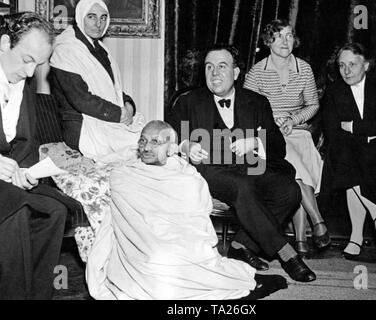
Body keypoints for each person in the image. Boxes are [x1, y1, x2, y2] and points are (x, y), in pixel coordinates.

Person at [86, 120, 287, 300]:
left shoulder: (186, 176)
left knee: (186, 260)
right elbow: (131, 223)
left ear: (171, 148)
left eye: (155, 142)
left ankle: (232, 279)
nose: (146, 147)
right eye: (142, 141)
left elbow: (198, 216)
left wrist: (180, 239)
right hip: (144, 247)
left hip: (185, 241)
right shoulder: (124, 175)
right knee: (158, 268)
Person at [167, 44, 316, 282]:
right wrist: (186, 146)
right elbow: (169, 136)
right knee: (242, 186)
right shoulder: (189, 102)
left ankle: (240, 245)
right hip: (210, 169)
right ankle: (287, 254)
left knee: (289, 191)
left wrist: (256, 142)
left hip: (250, 165)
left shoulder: (257, 102)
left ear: (236, 73)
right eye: (209, 67)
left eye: (222, 66)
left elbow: (279, 146)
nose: (214, 73)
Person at [244, 19, 330, 257]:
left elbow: (313, 105)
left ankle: (301, 240)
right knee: (291, 163)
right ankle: (317, 221)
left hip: (298, 131)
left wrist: (292, 119)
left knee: (294, 166)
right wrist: (273, 124)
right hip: (269, 136)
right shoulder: (257, 72)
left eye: (289, 35)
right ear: (268, 40)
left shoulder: (304, 69)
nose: (285, 41)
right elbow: (247, 110)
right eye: (278, 36)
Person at [0, 12, 67, 300]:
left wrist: (26, 173)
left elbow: (24, 146)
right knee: (14, 211)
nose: (30, 74)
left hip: (6, 182)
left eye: (38, 65)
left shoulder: (23, 88)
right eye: (27, 59)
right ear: (4, 43)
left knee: (55, 212)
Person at [321, 43, 376, 259]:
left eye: (352, 65)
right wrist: (365, 129)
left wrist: (354, 127)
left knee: (351, 161)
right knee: (347, 155)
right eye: (341, 65)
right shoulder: (334, 90)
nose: (346, 71)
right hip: (348, 149)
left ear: (365, 64)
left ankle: (356, 236)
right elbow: (332, 130)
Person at [49, 0, 144, 162]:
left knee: (151, 136)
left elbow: (111, 89)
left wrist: (129, 105)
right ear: (80, 17)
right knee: (143, 147)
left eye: (103, 17)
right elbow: (81, 99)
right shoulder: (65, 49)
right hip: (81, 128)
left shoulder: (100, 49)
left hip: (105, 119)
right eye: (91, 17)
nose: (98, 24)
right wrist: (120, 113)